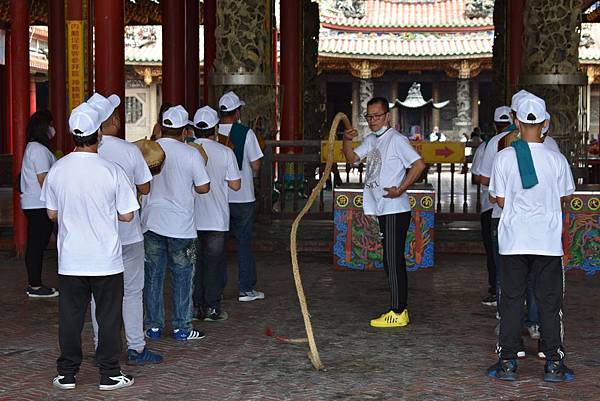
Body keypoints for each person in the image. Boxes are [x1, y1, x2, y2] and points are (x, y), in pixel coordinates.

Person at [42, 102, 137, 391]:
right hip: (105, 258)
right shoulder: (112, 170)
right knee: (108, 317)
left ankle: (67, 374)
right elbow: (127, 214)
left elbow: (51, 213)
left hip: (71, 258)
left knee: (69, 318)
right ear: (99, 135)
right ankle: (109, 374)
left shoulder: (58, 169)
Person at [487, 94, 575, 382]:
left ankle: (508, 363)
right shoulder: (557, 159)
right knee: (549, 303)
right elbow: (564, 197)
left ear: (516, 121)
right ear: (546, 123)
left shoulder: (504, 157)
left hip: (513, 240)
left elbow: (498, 199)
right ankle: (553, 363)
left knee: (511, 300)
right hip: (547, 242)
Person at [86, 93, 163, 365]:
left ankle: (101, 347)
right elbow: (145, 187)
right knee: (132, 292)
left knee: (100, 296)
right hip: (128, 234)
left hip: (97, 236)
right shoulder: (129, 150)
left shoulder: (83, 153)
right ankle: (136, 347)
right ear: (112, 121)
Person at [342, 97, 426, 328]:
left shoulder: (396, 140)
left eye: (377, 116)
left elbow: (419, 165)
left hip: (394, 209)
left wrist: (400, 189)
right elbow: (352, 159)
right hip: (382, 208)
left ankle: (398, 311)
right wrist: (346, 141)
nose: (373, 120)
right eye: (369, 116)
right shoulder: (371, 140)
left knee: (393, 259)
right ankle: (399, 309)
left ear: (387, 116)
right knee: (389, 260)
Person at [478, 90, 541, 355]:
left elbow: (495, 193)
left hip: (506, 222)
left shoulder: (499, 147)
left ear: (515, 119)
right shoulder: (552, 151)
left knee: (510, 280)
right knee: (538, 282)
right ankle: (540, 333)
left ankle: (509, 337)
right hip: (540, 227)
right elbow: (564, 195)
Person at [141, 105, 210, 341]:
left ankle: (153, 327)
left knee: (153, 276)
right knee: (183, 275)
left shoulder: (150, 150)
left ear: (161, 127)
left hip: (152, 222)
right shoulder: (191, 153)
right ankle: (181, 327)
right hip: (182, 226)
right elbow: (203, 187)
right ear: (184, 130)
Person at [191, 106, 241, 321]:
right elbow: (236, 185)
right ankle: (212, 308)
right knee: (214, 265)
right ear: (215, 129)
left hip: (191, 219)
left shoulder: (188, 150)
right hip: (216, 219)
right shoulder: (225, 152)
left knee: (193, 265)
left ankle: (194, 307)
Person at [217, 91, 265, 302]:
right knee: (244, 243)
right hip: (243, 195)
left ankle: (215, 289)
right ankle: (246, 289)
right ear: (237, 112)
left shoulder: (211, 131)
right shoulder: (246, 133)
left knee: (217, 246)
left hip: (219, 197)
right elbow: (256, 164)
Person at [472, 107, 512, 307]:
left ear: (495, 125)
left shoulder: (491, 144)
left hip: (493, 208)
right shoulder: (546, 146)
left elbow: (481, 178)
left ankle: (497, 292)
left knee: (495, 253)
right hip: (523, 212)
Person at [20, 110, 58, 298]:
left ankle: (34, 283)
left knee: (36, 243)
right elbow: (44, 180)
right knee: (37, 244)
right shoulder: (39, 150)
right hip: (39, 204)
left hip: (33, 202)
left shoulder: (33, 148)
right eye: (51, 124)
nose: (53, 129)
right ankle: (34, 285)